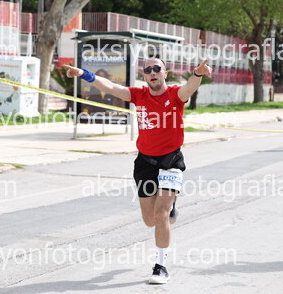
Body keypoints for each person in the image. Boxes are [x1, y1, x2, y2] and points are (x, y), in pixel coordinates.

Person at [65, 58, 212, 284]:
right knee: (150, 220)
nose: (152, 72)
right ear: (144, 76)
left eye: (157, 69)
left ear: (164, 73)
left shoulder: (174, 95)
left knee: (161, 214)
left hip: (171, 161)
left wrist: (198, 74)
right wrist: (84, 74)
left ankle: (160, 267)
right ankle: (170, 209)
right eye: (148, 70)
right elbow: (111, 87)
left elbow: (189, 88)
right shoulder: (138, 95)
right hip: (145, 163)